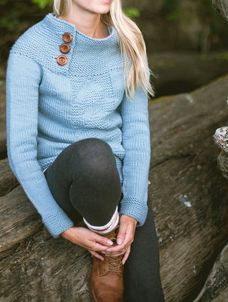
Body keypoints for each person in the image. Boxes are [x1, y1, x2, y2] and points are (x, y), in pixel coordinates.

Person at [5, 0, 165, 301]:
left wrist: (132, 207)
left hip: (114, 183)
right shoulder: (30, 49)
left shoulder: (127, 42)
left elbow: (137, 133)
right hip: (62, 178)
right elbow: (21, 150)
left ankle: (112, 224)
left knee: (148, 292)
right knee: (94, 154)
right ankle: (107, 252)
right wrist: (61, 226)